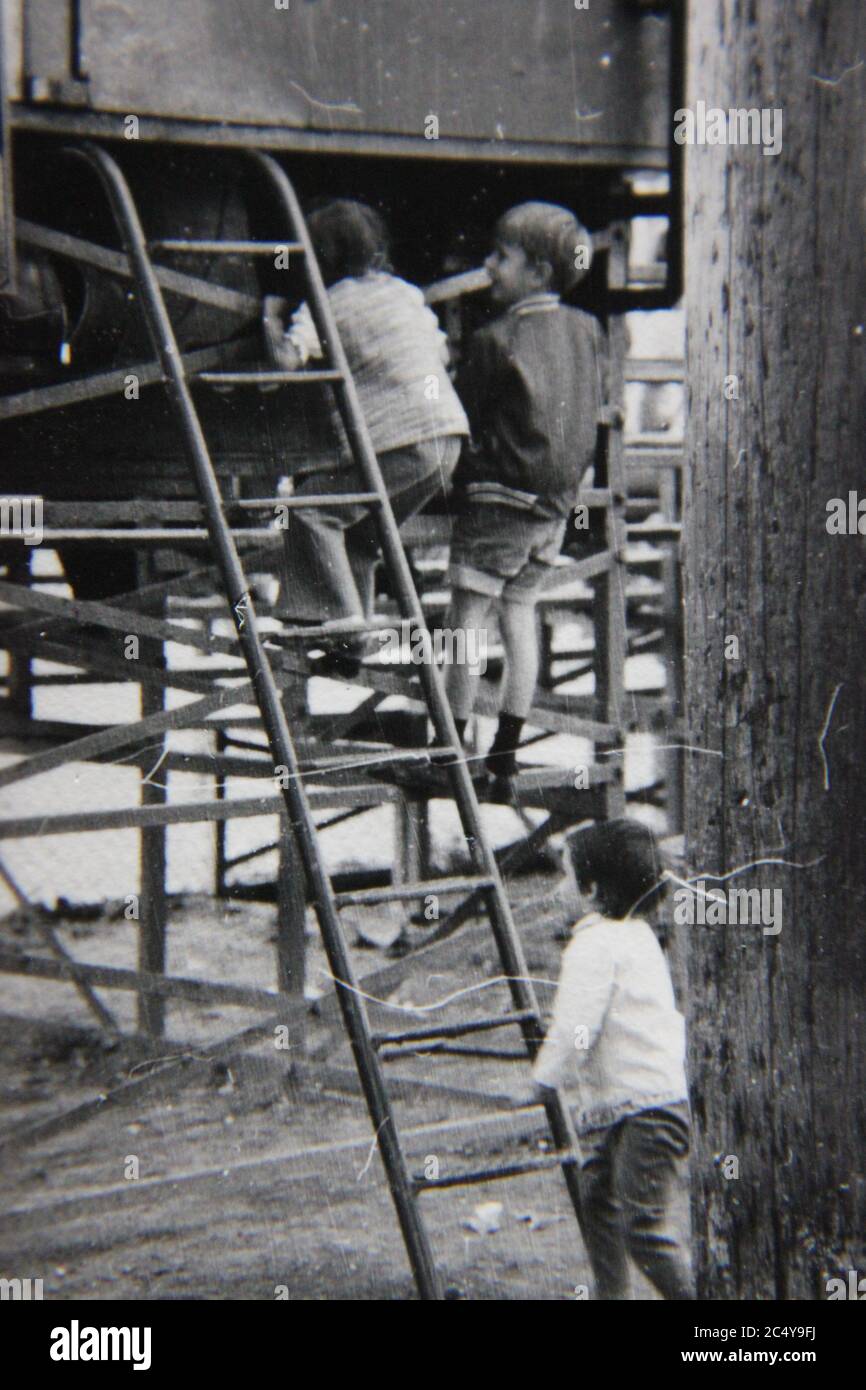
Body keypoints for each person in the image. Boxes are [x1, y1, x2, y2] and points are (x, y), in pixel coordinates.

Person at [262, 199, 468, 676]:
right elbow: (440, 349)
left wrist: (272, 317)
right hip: (446, 441)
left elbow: (287, 362)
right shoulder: (404, 293)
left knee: (309, 509)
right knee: (359, 531)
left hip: (400, 441)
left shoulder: (325, 304)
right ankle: (345, 639)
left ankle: (350, 629)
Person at [441, 201, 604, 780]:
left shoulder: (494, 338)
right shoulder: (588, 330)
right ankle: (503, 760)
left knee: (464, 621)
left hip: (500, 498)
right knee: (520, 613)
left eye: (500, 256)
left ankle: (450, 756)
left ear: (537, 270)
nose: (488, 266)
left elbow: (461, 419)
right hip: (556, 503)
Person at [515, 818, 694, 1301]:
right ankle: (610, 1295)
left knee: (643, 1224)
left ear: (592, 890)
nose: (558, 888)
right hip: (624, 1104)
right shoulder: (636, 935)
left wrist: (543, 1080)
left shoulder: (593, 945)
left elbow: (577, 1027)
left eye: (567, 877)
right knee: (597, 1199)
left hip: (647, 1108)